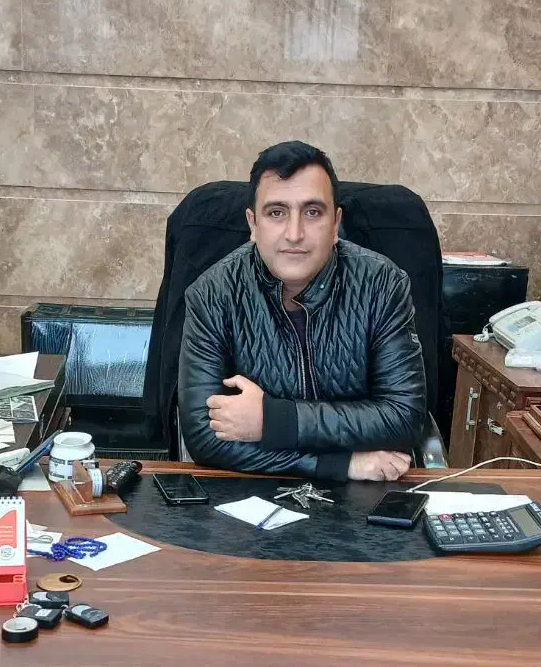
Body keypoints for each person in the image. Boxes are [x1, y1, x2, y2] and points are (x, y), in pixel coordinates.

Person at [178, 141, 427, 481]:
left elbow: (404, 417)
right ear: (253, 224)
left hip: (369, 492)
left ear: (335, 223)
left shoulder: (382, 284)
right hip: (260, 491)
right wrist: (338, 465)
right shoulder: (213, 293)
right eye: (276, 213)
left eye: (312, 212)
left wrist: (273, 420)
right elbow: (204, 436)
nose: (294, 234)